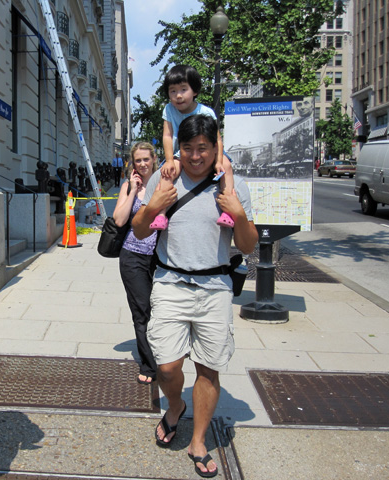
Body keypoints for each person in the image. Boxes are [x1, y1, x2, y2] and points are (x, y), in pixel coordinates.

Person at [132, 114, 258, 478]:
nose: (195, 156)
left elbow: (247, 246)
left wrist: (238, 215)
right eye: (188, 148)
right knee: (168, 366)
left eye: (203, 148)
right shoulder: (165, 176)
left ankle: (198, 440)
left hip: (215, 288)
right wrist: (154, 204)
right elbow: (140, 232)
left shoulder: (232, 185)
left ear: (216, 147)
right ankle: (174, 407)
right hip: (170, 282)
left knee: (208, 367)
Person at [150, 65, 235, 232]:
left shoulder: (206, 111)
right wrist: (168, 160)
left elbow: (217, 138)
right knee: (168, 172)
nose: (178, 96)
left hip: (209, 151)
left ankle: (228, 211)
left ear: (195, 91)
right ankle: (161, 213)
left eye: (183, 89)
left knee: (226, 166)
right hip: (182, 152)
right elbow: (167, 136)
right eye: (173, 91)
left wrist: (218, 161)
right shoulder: (169, 109)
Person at [113, 142, 159, 385]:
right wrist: (132, 190)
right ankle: (149, 365)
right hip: (132, 256)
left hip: (161, 258)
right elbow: (119, 221)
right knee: (142, 311)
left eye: (146, 159)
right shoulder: (128, 186)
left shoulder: (164, 185)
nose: (142, 164)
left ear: (154, 159)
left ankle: (163, 355)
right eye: (137, 160)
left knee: (161, 311)